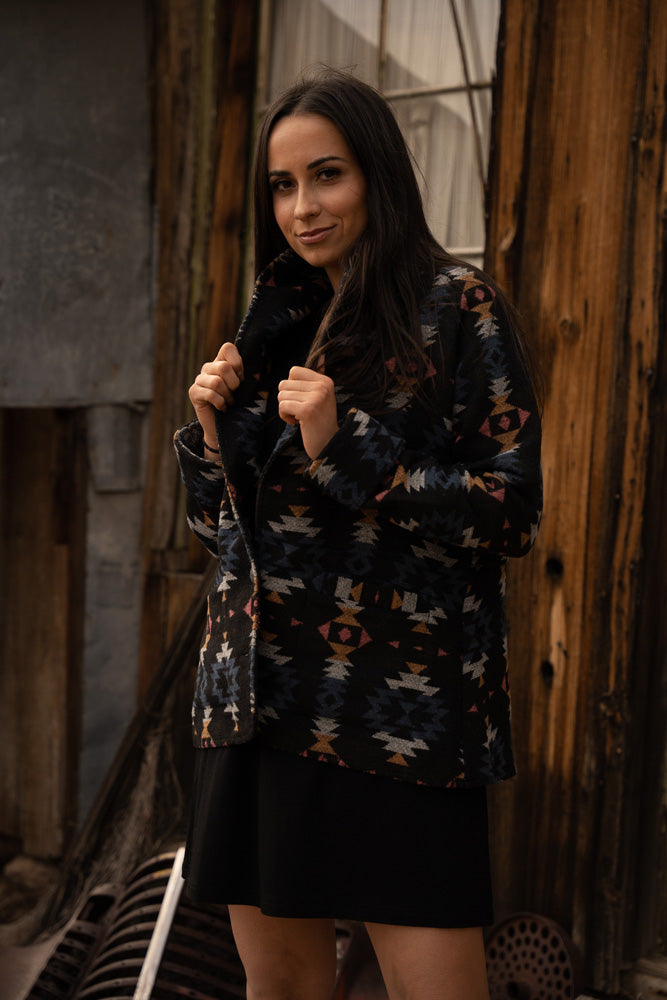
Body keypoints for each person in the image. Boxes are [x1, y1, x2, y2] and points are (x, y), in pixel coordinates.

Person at [174, 67, 542, 1000]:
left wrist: (350, 445)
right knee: (285, 988)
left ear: (379, 175)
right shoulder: (276, 323)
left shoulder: (458, 307)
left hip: (399, 709)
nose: (302, 207)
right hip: (258, 702)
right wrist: (212, 441)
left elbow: (510, 512)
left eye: (326, 175)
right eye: (283, 184)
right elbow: (228, 537)